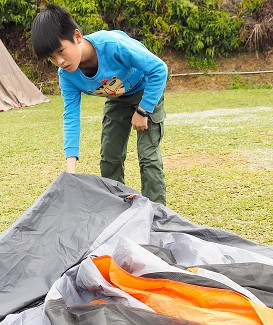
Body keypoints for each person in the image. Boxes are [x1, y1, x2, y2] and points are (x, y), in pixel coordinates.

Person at [31, 5, 169, 205]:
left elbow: (159, 69)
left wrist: (143, 110)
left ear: (77, 37)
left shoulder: (113, 45)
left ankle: (157, 215)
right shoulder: (67, 76)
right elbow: (71, 116)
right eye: (51, 57)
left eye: (61, 51)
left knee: (148, 158)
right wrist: (71, 167)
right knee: (109, 156)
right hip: (117, 99)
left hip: (146, 92)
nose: (59, 61)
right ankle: (116, 209)